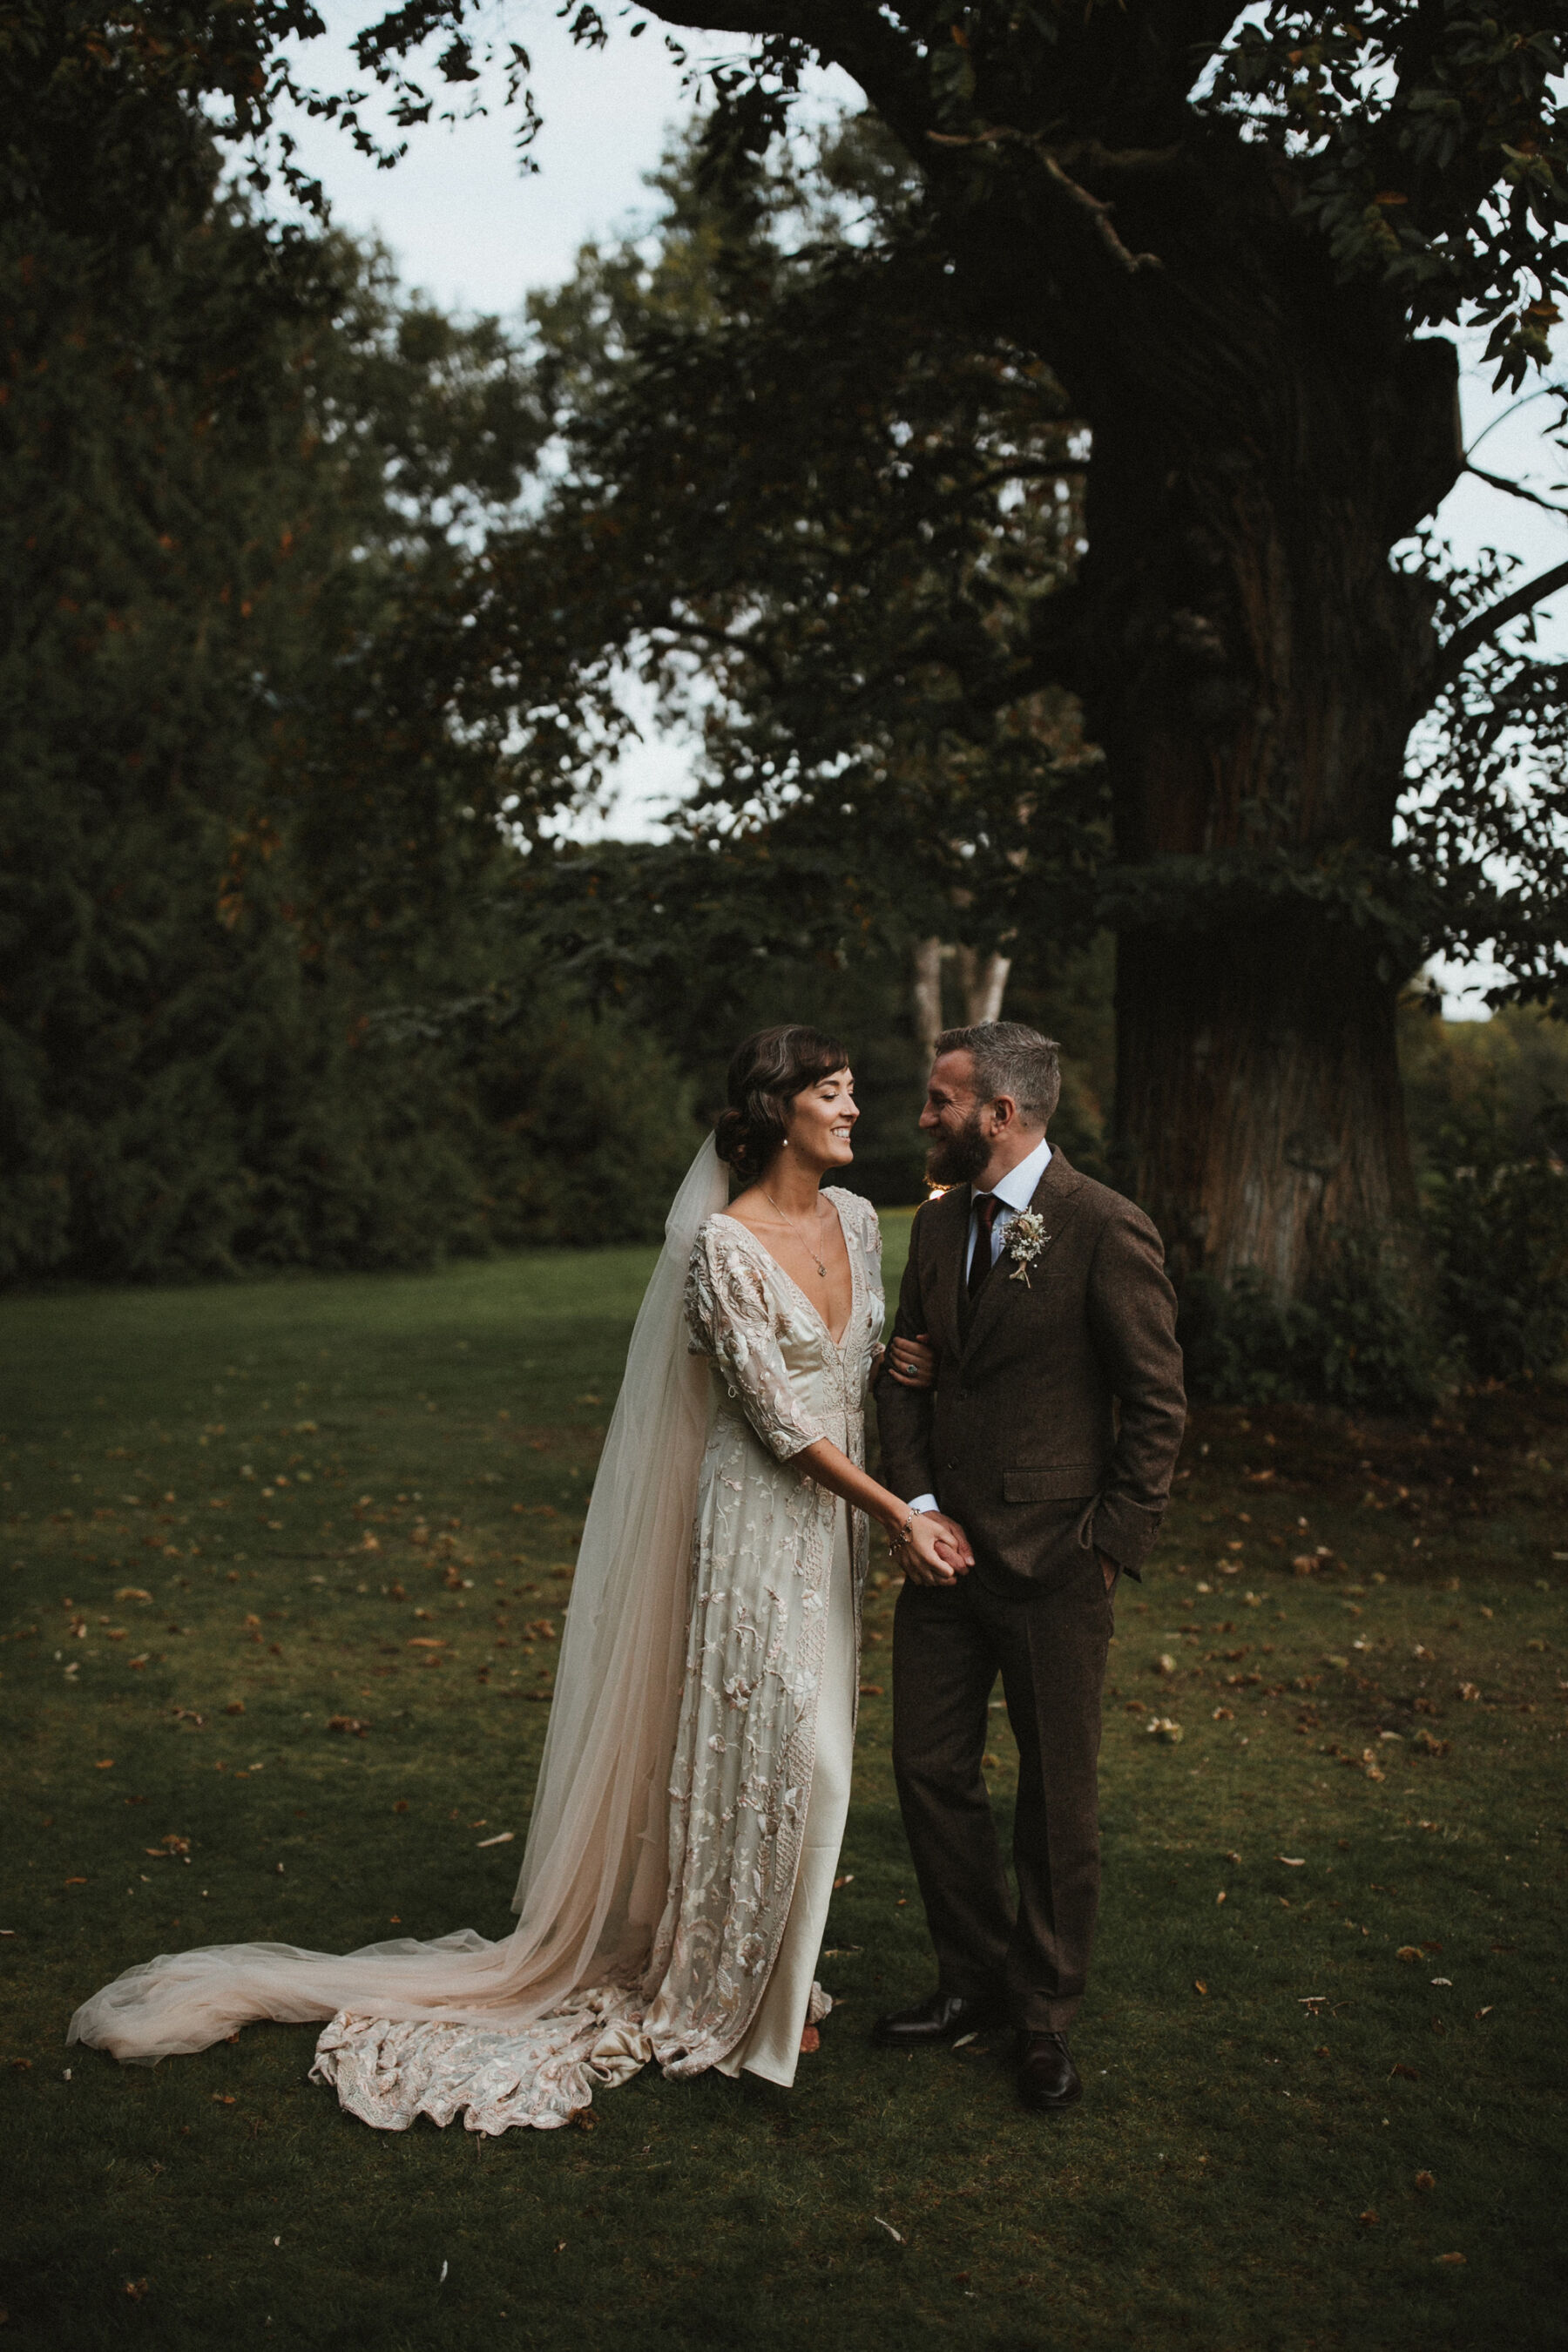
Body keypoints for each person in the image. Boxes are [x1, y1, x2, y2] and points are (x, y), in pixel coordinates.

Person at [69, 1024, 947, 2132]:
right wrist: (897, 1513)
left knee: (810, 1759)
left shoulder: (863, 1225)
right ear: (779, 1112)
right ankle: (719, 1995)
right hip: (758, 1522)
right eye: (835, 1093)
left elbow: (848, 1361)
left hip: (837, 1536)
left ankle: (766, 1980)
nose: (856, 1111)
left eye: (853, 1094)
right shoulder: (721, 1249)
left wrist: (896, 1367)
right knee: (787, 1760)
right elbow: (775, 1419)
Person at [873, 1021, 1186, 2112]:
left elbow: (1156, 1404)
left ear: (999, 1115)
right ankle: (972, 1981)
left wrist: (1111, 1545)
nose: (923, 1118)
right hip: (943, 1561)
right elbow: (906, 1379)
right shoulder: (938, 1222)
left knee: (1058, 1798)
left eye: (940, 1101)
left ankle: (1045, 2016)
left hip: (1058, 1564)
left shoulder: (1104, 1228)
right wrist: (914, 1506)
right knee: (928, 1769)